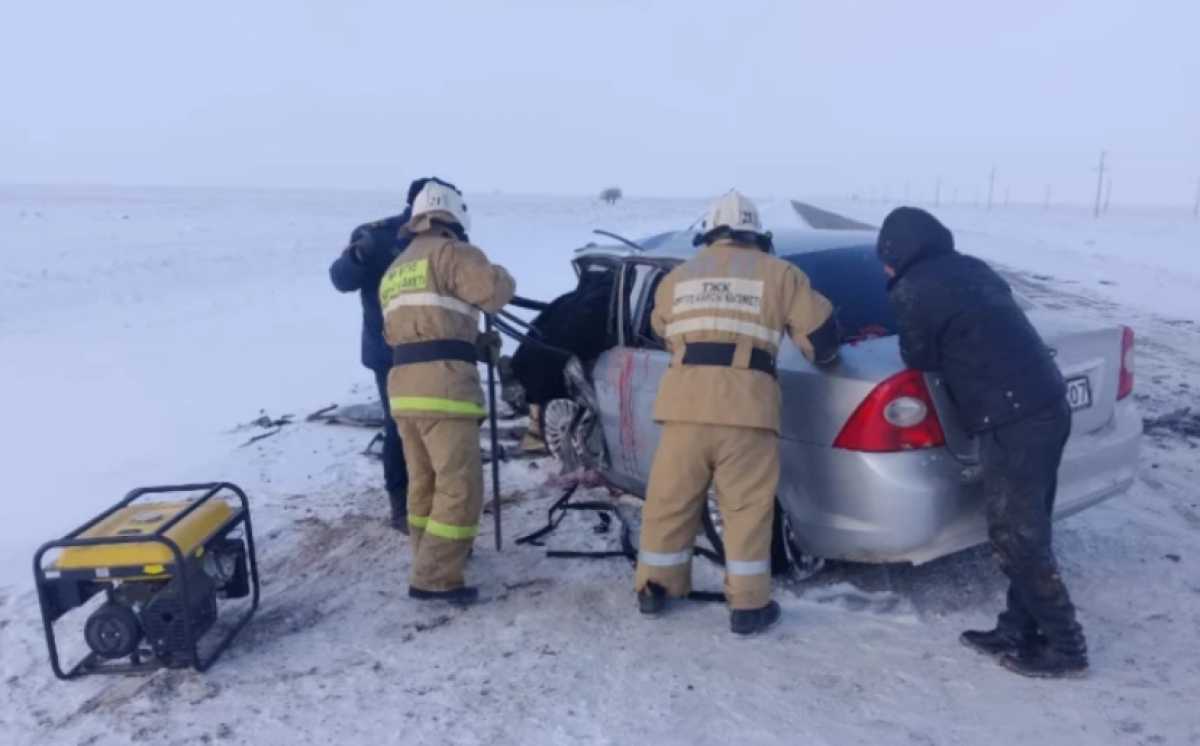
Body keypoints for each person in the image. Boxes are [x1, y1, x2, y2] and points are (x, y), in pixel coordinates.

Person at [876, 206, 1087, 678]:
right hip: (1047, 403)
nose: (885, 270)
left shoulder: (914, 288)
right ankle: (1017, 628)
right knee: (1028, 527)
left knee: (1017, 536)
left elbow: (919, 356)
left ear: (896, 252)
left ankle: (1065, 646)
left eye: (884, 260)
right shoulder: (973, 266)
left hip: (1013, 416)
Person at [634, 190, 839, 635]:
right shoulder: (781, 274)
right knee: (745, 509)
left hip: (684, 406)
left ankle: (656, 588)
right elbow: (822, 339)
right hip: (748, 409)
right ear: (756, 234)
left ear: (710, 234)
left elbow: (660, 328)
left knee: (669, 502)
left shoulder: (678, 277)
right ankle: (748, 607)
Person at [381, 179, 515, 605]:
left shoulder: (397, 267)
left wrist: (470, 343)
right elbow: (493, 293)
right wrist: (501, 274)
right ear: (455, 216)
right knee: (460, 487)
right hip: (444, 391)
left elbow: (409, 330)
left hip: (403, 390)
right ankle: (435, 577)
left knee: (424, 483)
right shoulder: (455, 253)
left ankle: (426, 556)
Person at [329, 179, 435, 533]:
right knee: (400, 427)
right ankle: (402, 504)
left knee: (440, 424)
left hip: (437, 348)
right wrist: (357, 256)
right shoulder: (377, 235)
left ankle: (437, 494)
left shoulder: (448, 233)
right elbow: (341, 279)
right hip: (390, 353)